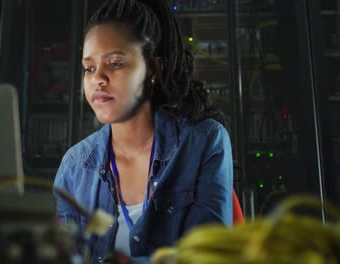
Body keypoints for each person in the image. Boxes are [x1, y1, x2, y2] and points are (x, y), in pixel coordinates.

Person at [53, 0, 233, 262]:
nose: (97, 79)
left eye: (115, 63)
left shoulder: (204, 142)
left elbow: (208, 257)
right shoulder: (74, 166)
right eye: (89, 68)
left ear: (153, 70)